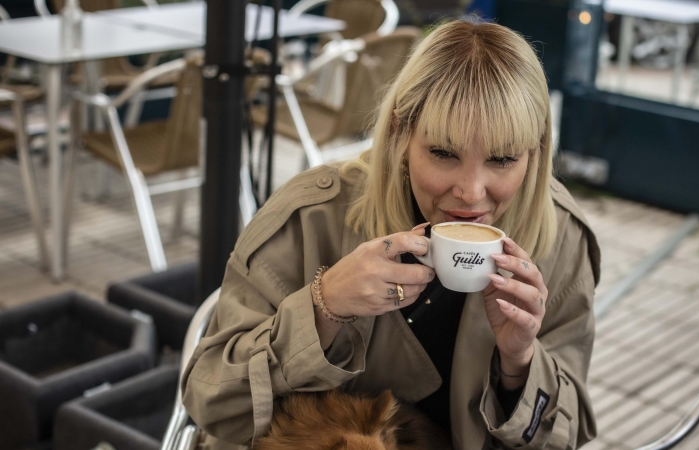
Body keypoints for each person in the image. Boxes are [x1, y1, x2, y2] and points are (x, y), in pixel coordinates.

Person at [182, 19, 601, 450]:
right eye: (443, 152)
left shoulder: (562, 239)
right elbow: (210, 401)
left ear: (535, 153)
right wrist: (323, 307)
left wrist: (520, 364)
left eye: (502, 159)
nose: (472, 192)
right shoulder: (313, 217)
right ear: (401, 132)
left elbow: (568, 434)